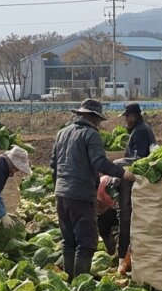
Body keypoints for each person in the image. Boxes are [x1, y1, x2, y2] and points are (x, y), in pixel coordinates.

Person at [50, 99, 134, 280]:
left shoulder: (62, 133)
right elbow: (99, 162)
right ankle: (81, 286)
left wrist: (58, 188)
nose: (98, 124)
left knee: (69, 241)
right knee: (86, 243)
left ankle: (69, 283)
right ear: (93, 118)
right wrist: (122, 173)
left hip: (62, 194)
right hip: (80, 194)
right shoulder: (90, 134)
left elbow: (53, 165)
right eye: (97, 120)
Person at [116, 103, 156, 269]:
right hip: (139, 181)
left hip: (133, 181)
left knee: (126, 218)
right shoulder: (142, 128)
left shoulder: (140, 131)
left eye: (127, 117)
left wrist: (116, 164)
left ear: (133, 116)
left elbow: (138, 159)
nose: (126, 120)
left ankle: (123, 258)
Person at [96, 175, 121, 255]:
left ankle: (114, 253)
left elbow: (114, 204)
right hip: (103, 211)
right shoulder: (104, 182)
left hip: (109, 210)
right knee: (104, 231)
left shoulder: (105, 185)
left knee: (105, 231)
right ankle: (113, 252)